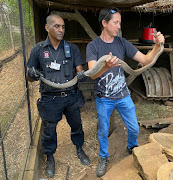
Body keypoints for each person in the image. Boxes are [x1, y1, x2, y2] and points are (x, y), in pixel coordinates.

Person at [86, 7, 165, 177]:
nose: (118, 26)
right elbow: (92, 74)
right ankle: (103, 158)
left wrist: (157, 45)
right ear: (104, 23)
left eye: (119, 23)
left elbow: (146, 60)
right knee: (103, 130)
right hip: (104, 98)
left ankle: (131, 146)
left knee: (134, 128)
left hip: (123, 96)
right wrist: (104, 66)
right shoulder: (93, 46)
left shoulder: (122, 43)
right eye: (115, 22)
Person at [27, 13, 90, 178]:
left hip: (71, 96)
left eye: (63, 26)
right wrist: (32, 74)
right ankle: (50, 157)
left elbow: (79, 71)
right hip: (50, 99)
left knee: (77, 125)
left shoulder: (72, 48)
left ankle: (79, 148)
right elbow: (29, 77)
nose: (61, 30)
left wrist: (82, 74)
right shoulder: (38, 50)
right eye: (57, 26)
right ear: (48, 28)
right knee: (49, 130)